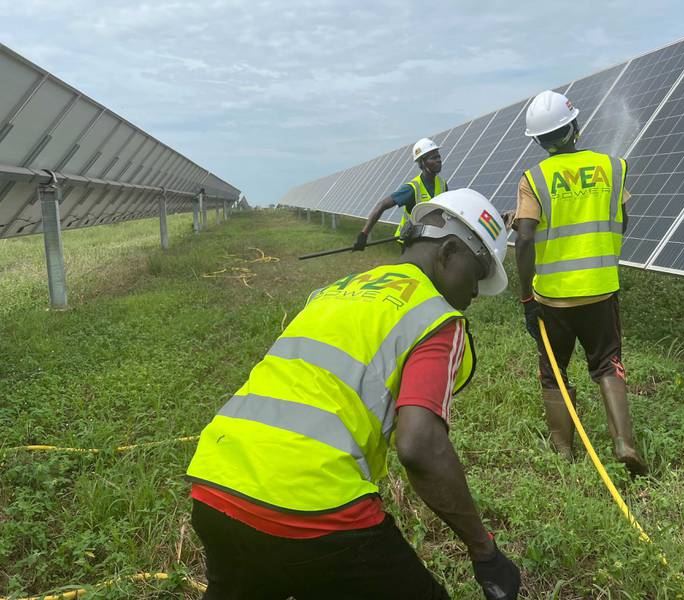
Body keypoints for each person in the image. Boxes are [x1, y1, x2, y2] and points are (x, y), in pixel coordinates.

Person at [187, 188, 521, 600]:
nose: (475, 293)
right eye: (478, 273)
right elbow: (420, 446)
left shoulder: (335, 290)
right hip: (314, 509)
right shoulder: (438, 319)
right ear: (449, 252)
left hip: (214, 484)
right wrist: (485, 552)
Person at [511, 89, 647, 477]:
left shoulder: (533, 179)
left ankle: (564, 452)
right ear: (575, 127)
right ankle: (623, 442)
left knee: (554, 371)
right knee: (607, 363)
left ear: (538, 141)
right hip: (602, 289)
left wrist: (525, 296)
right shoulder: (613, 166)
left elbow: (524, 238)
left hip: (552, 299)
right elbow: (620, 216)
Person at [354, 137, 447, 250]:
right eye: (433, 158)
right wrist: (364, 234)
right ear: (422, 162)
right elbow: (381, 205)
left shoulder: (443, 184)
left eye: (438, 156)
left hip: (429, 238)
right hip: (410, 240)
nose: (439, 160)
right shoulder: (412, 188)